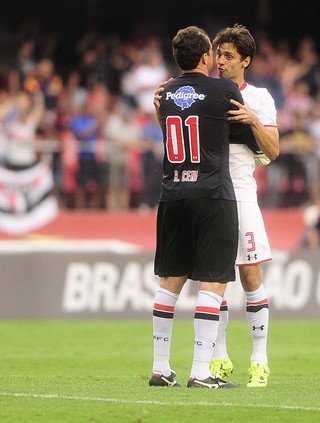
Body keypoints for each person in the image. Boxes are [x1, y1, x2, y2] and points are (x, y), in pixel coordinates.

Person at [153, 24, 280, 388]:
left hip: (239, 192)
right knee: (215, 276)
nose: (221, 62)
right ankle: (218, 359)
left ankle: (259, 359)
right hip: (212, 193)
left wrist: (253, 121)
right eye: (218, 54)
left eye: (229, 56)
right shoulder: (209, 92)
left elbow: (272, 152)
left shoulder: (259, 98)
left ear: (246, 61)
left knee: (249, 276)